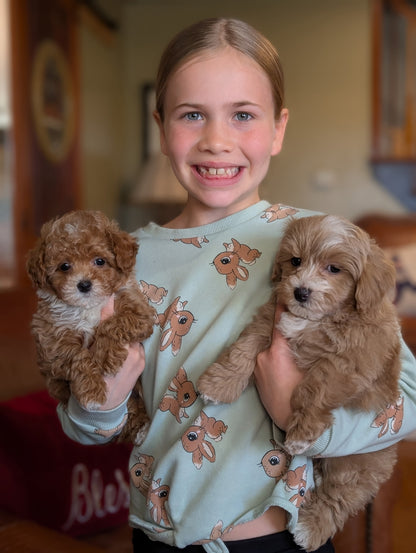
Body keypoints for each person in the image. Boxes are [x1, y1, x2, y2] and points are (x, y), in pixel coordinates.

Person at [57, 18, 416, 553]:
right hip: (154, 538)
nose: (216, 141)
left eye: (243, 115)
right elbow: (88, 427)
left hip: (276, 542)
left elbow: (406, 400)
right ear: (161, 127)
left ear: (278, 127)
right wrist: (99, 406)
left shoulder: (320, 248)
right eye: (192, 115)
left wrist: (298, 413)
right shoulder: (117, 261)